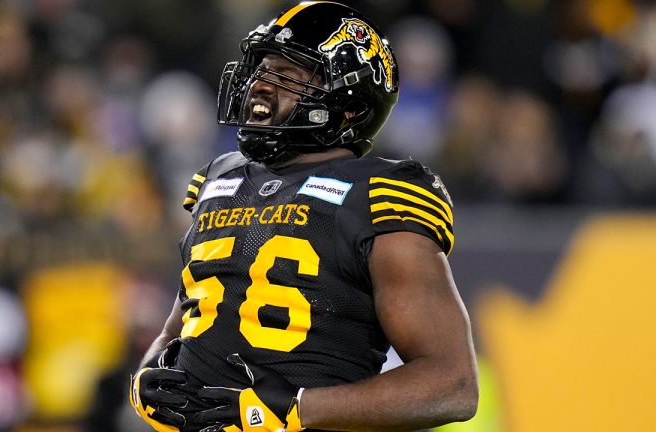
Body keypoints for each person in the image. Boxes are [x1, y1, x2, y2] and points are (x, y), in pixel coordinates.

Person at [129, 2, 478, 431]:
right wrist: (146, 375)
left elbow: (453, 384)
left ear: (348, 106)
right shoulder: (218, 179)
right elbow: (182, 325)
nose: (260, 85)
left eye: (288, 75)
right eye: (261, 70)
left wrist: (296, 408)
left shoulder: (378, 194)